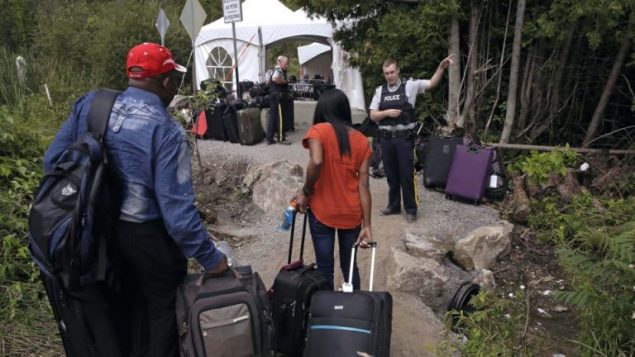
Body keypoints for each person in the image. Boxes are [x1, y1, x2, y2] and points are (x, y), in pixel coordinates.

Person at [43, 42, 228, 357]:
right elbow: (178, 218)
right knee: (161, 314)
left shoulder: (91, 104)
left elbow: (53, 163)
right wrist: (212, 259)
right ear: (166, 82)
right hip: (146, 239)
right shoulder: (168, 132)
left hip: (95, 233)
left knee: (118, 312)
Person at [294, 89, 372, 291]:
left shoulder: (318, 131)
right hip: (351, 214)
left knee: (325, 269)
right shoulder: (362, 141)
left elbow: (317, 161)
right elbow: (364, 185)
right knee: (349, 267)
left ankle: (327, 314)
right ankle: (354, 312)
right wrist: (368, 225)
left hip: (322, 211)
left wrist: (306, 191)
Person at [369, 55, 455, 223]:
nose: (390, 76)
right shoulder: (380, 91)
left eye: (392, 72)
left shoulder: (411, 86)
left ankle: (410, 209)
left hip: (404, 139)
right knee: (391, 175)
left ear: (398, 70)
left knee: (407, 175)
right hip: (386, 140)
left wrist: (441, 68)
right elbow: (373, 115)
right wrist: (386, 113)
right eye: (386, 73)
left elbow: (431, 83)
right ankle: (393, 205)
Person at [267, 55, 292, 145]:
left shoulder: (275, 70)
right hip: (277, 97)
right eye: (285, 64)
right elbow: (275, 79)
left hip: (274, 96)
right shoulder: (278, 70)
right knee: (280, 118)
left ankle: (270, 138)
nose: (287, 65)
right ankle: (281, 138)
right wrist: (284, 81)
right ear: (280, 62)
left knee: (273, 118)